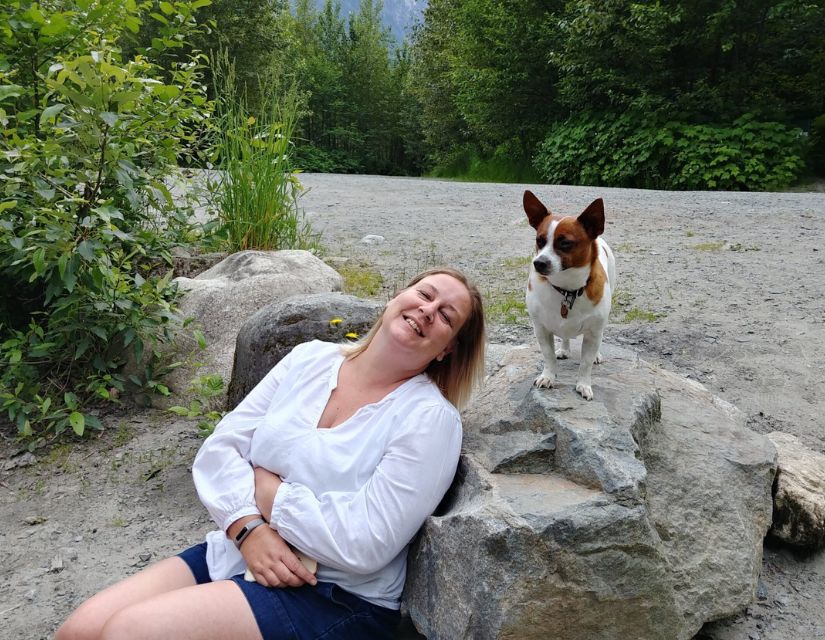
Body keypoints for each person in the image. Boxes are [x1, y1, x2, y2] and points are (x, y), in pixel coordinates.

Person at [56, 267, 486, 640]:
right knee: (81, 631)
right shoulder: (308, 359)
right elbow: (221, 449)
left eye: (446, 316)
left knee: (132, 633)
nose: (428, 311)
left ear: (447, 349)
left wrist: (271, 495)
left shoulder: (429, 419)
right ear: (397, 296)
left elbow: (366, 543)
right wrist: (248, 529)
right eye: (425, 295)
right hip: (241, 547)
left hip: (330, 593)